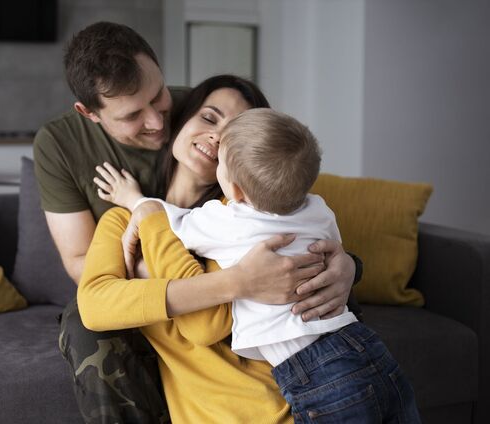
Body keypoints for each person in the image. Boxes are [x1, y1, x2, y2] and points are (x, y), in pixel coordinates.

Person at [34, 21, 359, 422]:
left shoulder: (244, 209)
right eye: (135, 114)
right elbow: (96, 292)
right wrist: (225, 279)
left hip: (282, 396)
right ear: (90, 114)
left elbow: (297, 207)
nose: (156, 121)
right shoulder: (125, 213)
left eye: (160, 99)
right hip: (172, 331)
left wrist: (348, 265)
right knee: (83, 324)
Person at [96, 108, 420, 422]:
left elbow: (170, 222)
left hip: (313, 372)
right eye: (210, 116)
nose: (216, 135)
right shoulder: (319, 208)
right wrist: (345, 261)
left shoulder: (227, 221)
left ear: (235, 189)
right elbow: (333, 249)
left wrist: (138, 202)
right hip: (364, 345)